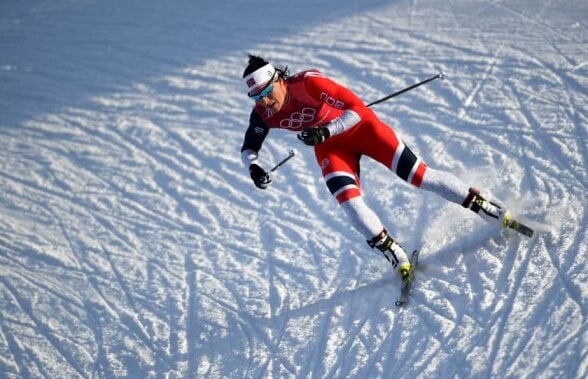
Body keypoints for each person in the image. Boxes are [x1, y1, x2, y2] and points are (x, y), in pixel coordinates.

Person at [239, 54, 508, 284]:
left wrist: (325, 130)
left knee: (419, 176)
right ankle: (394, 253)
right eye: (256, 96)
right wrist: (253, 168)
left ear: (279, 80)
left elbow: (356, 108)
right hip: (332, 149)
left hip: (364, 130)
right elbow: (249, 146)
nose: (263, 101)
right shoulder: (262, 114)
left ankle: (482, 205)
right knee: (349, 204)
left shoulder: (308, 83)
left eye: (266, 92)